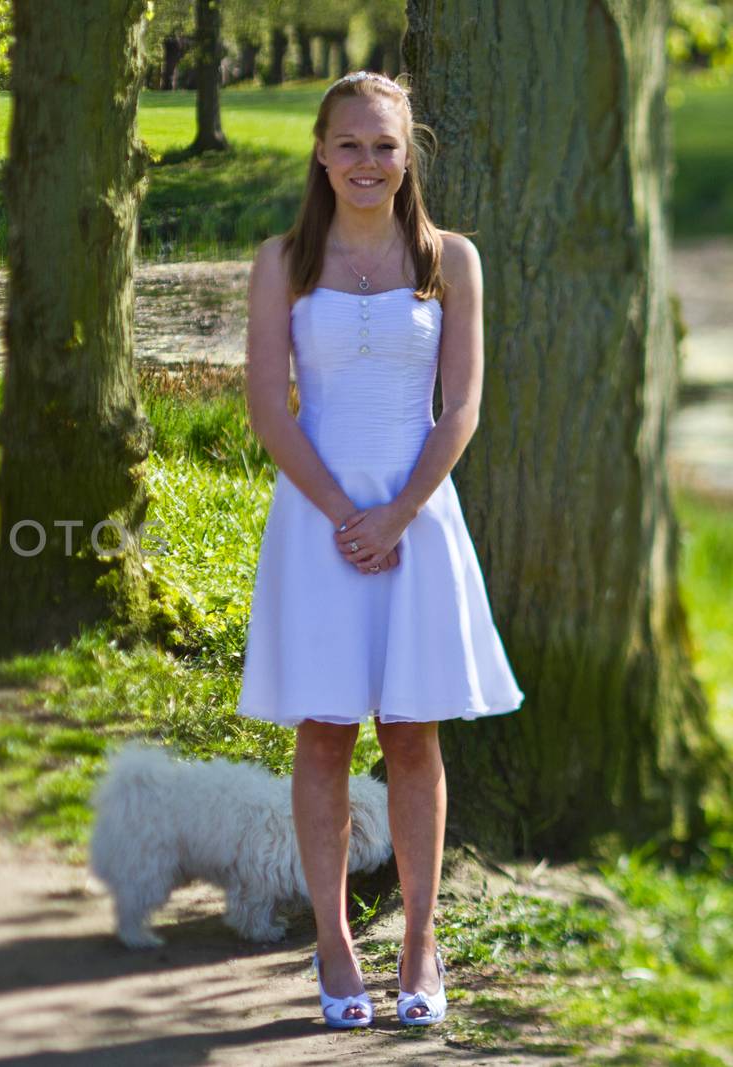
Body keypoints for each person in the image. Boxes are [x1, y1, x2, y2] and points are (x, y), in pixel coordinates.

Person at [234, 70, 526, 1029]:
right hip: (317, 526)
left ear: (410, 156)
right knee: (323, 732)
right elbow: (270, 409)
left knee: (411, 733)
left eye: (385, 145)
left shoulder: (453, 260)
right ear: (320, 151)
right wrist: (341, 515)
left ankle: (418, 940)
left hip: (418, 520)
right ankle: (332, 939)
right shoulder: (283, 260)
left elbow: (463, 408)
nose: (367, 162)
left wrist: (397, 513)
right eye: (350, 144)